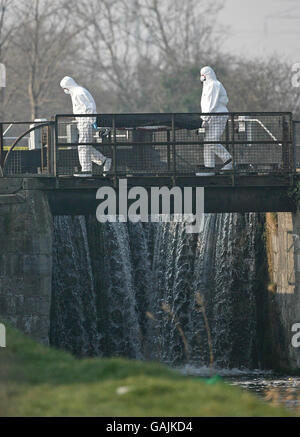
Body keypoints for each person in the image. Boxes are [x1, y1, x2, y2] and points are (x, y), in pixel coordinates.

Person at [60, 76, 112, 177]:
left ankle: (86, 171)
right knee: (85, 146)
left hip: (85, 121)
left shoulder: (79, 92)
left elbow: (89, 107)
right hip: (83, 121)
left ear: (67, 87)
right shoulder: (77, 92)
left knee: (83, 147)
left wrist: (91, 121)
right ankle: (104, 160)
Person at [196, 66, 232, 176]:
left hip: (217, 116)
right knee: (207, 142)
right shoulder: (207, 86)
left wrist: (205, 119)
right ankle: (209, 167)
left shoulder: (214, 85)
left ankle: (229, 161)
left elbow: (211, 103)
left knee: (211, 141)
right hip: (211, 117)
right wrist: (205, 119)